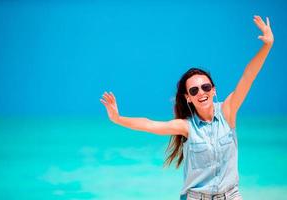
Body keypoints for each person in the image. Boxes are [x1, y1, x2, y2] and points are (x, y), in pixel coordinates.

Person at [100, 15, 273, 200]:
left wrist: (267, 45)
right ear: (188, 97)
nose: (201, 92)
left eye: (206, 87)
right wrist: (118, 119)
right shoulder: (186, 126)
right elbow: (149, 124)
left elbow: (248, 76)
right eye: (194, 90)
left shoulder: (227, 112)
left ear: (213, 90)